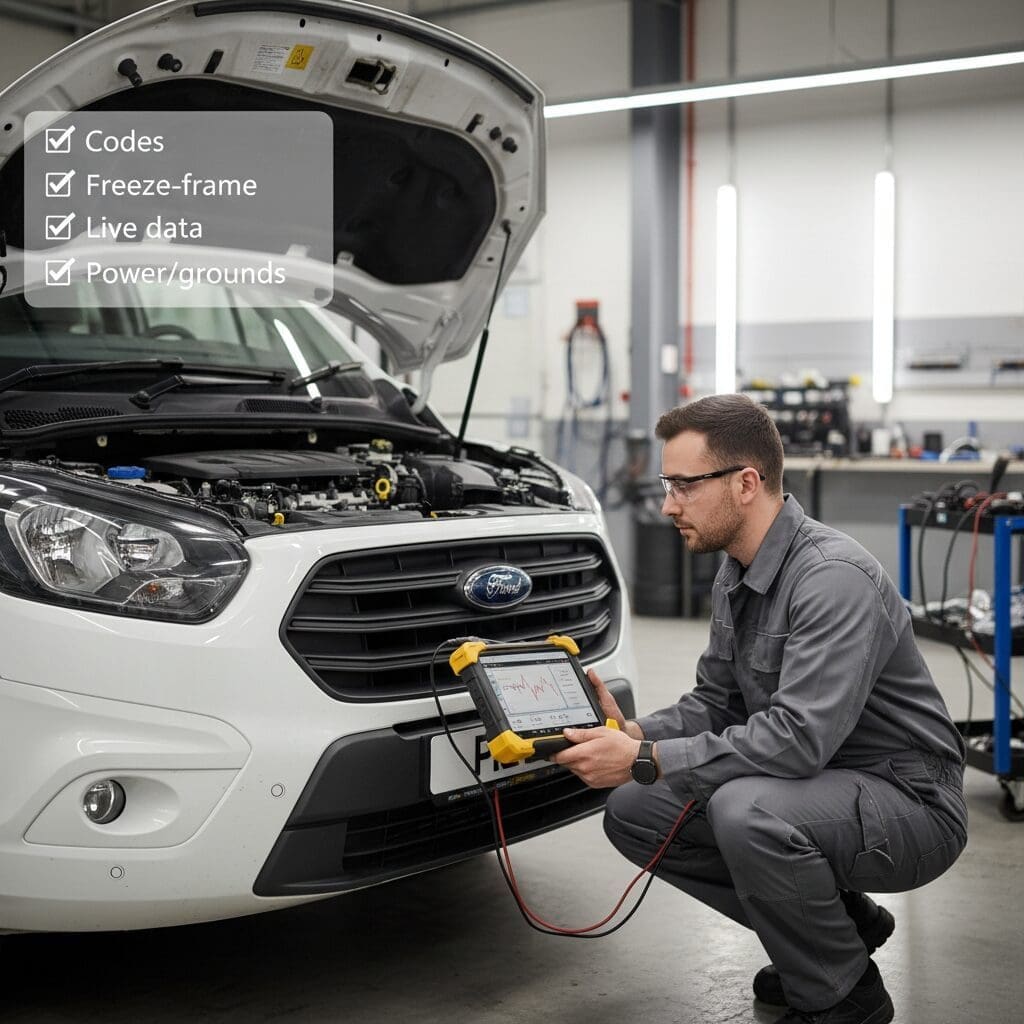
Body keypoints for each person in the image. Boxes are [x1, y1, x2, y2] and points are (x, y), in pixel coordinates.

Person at [551, 393, 967, 1024]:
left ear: (746, 483)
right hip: (824, 789)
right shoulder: (736, 571)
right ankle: (837, 930)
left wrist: (643, 757)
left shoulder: (832, 578)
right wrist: (635, 732)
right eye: (668, 484)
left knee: (746, 811)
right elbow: (716, 702)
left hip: (909, 803)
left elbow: (799, 741)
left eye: (684, 485)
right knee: (636, 809)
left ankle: (844, 999)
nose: (667, 505)